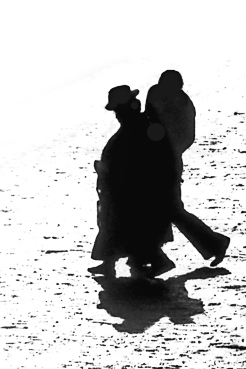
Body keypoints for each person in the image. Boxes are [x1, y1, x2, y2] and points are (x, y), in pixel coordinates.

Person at [90, 84, 179, 279]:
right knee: (117, 226)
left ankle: (156, 262)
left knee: (129, 230)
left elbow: (145, 160)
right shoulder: (135, 127)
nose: (116, 115)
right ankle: (110, 262)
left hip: (134, 192)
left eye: (117, 110)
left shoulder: (140, 128)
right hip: (126, 190)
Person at [146, 70, 230, 267]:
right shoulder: (163, 96)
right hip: (162, 159)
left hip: (167, 161)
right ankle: (152, 253)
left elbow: (184, 137)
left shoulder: (180, 103)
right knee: (166, 207)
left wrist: (169, 155)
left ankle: (213, 242)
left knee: (170, 208)